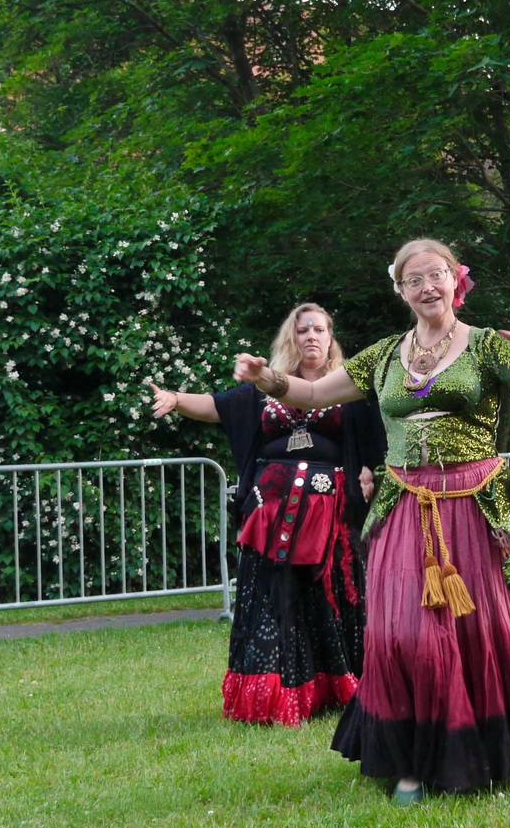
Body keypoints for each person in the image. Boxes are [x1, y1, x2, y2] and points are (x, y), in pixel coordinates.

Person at [230, 239, 510, 803]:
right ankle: (411, 757)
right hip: (405, 506)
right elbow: (314, 392)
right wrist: (267, 379)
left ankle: (480, 751)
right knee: (398, 634)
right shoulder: (385, 355)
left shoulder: (485, 346)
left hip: (471, 507)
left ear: (454, 280)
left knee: (476, 631)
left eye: (435, 275)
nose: (427, 287)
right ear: (400, 290)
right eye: (413, 280)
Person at [149, 302, 384, 726]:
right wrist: (176, 398)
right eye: (302, 330)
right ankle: (274, 694)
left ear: (331, 338)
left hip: (330, 513)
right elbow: (217, 407)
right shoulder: (264, 388)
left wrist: (368, 470)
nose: (311, 336)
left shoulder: (349, 389)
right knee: (274, 599)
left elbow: (374, 439)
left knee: (330, 599)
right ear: (290, 339)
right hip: (270, 514)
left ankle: (339, 686)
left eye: (319, 329)